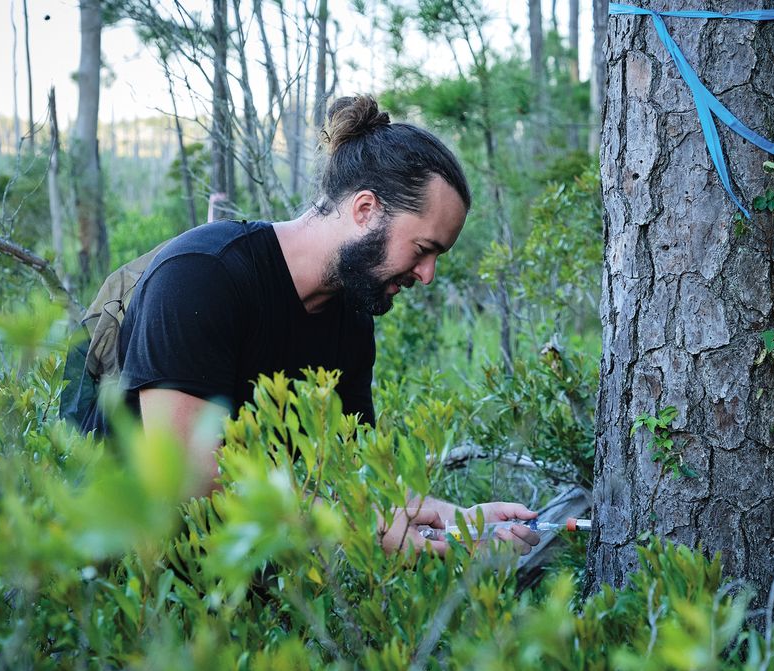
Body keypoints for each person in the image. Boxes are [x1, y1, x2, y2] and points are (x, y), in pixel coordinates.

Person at [118, 95, 540, 556]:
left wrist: (453, 519)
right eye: (422, 248)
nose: (427, 275)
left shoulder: (351, 320)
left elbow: (355, 477)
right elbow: (186, 478)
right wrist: (364, 524)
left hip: (252, 577)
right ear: (365, 210)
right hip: (132, 577)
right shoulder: (201, 276)